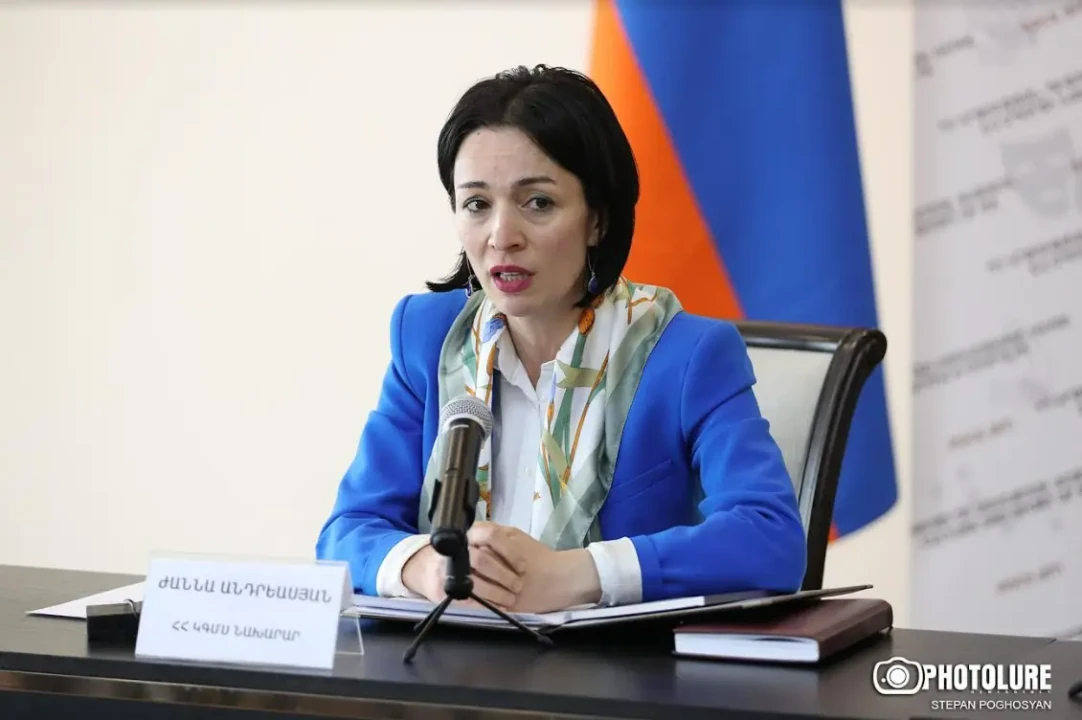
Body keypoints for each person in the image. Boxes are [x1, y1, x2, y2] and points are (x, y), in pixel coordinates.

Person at [315, 65, 806, 614]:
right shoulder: (429, 340)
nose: (502, 236)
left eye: (538, 203)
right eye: (477, 204)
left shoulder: (687, 356)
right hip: (453, 657)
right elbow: (347, 531)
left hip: (614, 665)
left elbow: (770, 538)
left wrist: (578, 573)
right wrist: (426, 566)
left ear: (598, 220)